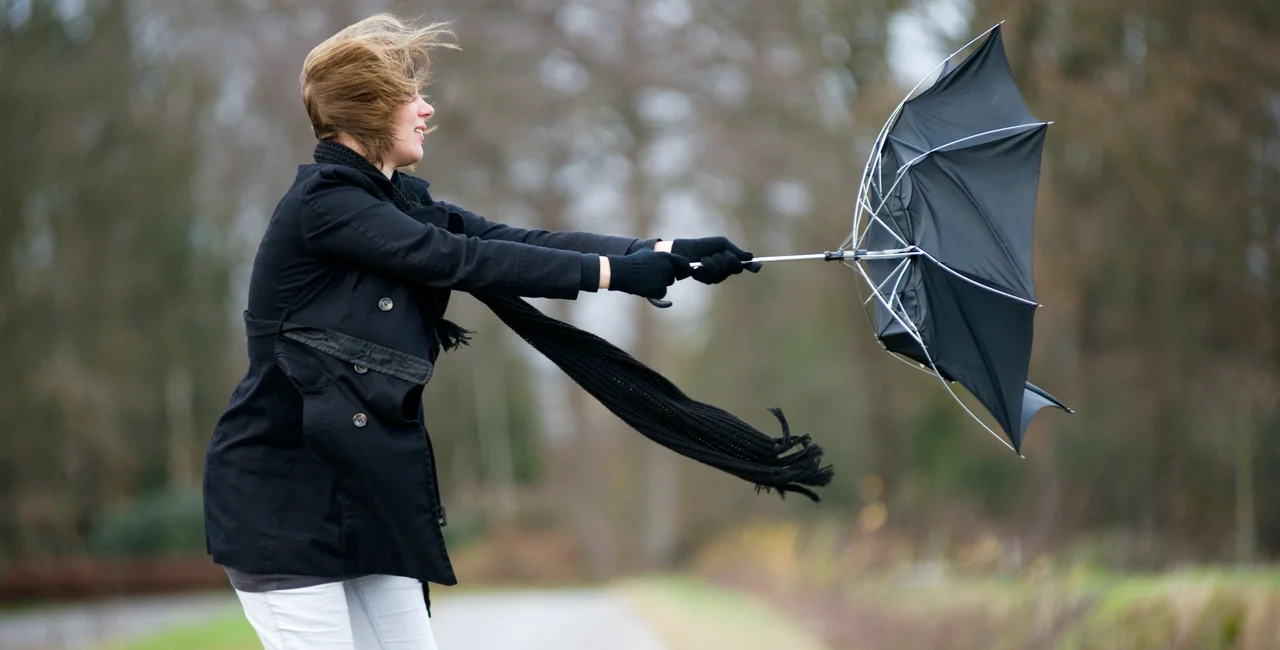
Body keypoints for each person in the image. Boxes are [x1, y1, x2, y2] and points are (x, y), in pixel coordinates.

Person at [201, 13, 765, 649]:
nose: (426, 109)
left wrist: (664, 249)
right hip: (282, 504)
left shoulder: (396, 200)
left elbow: (507, 240)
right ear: (370, 109)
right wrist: (615, 275)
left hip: (364, 497)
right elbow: (459, 261)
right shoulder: (325, 206)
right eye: (411, 97)